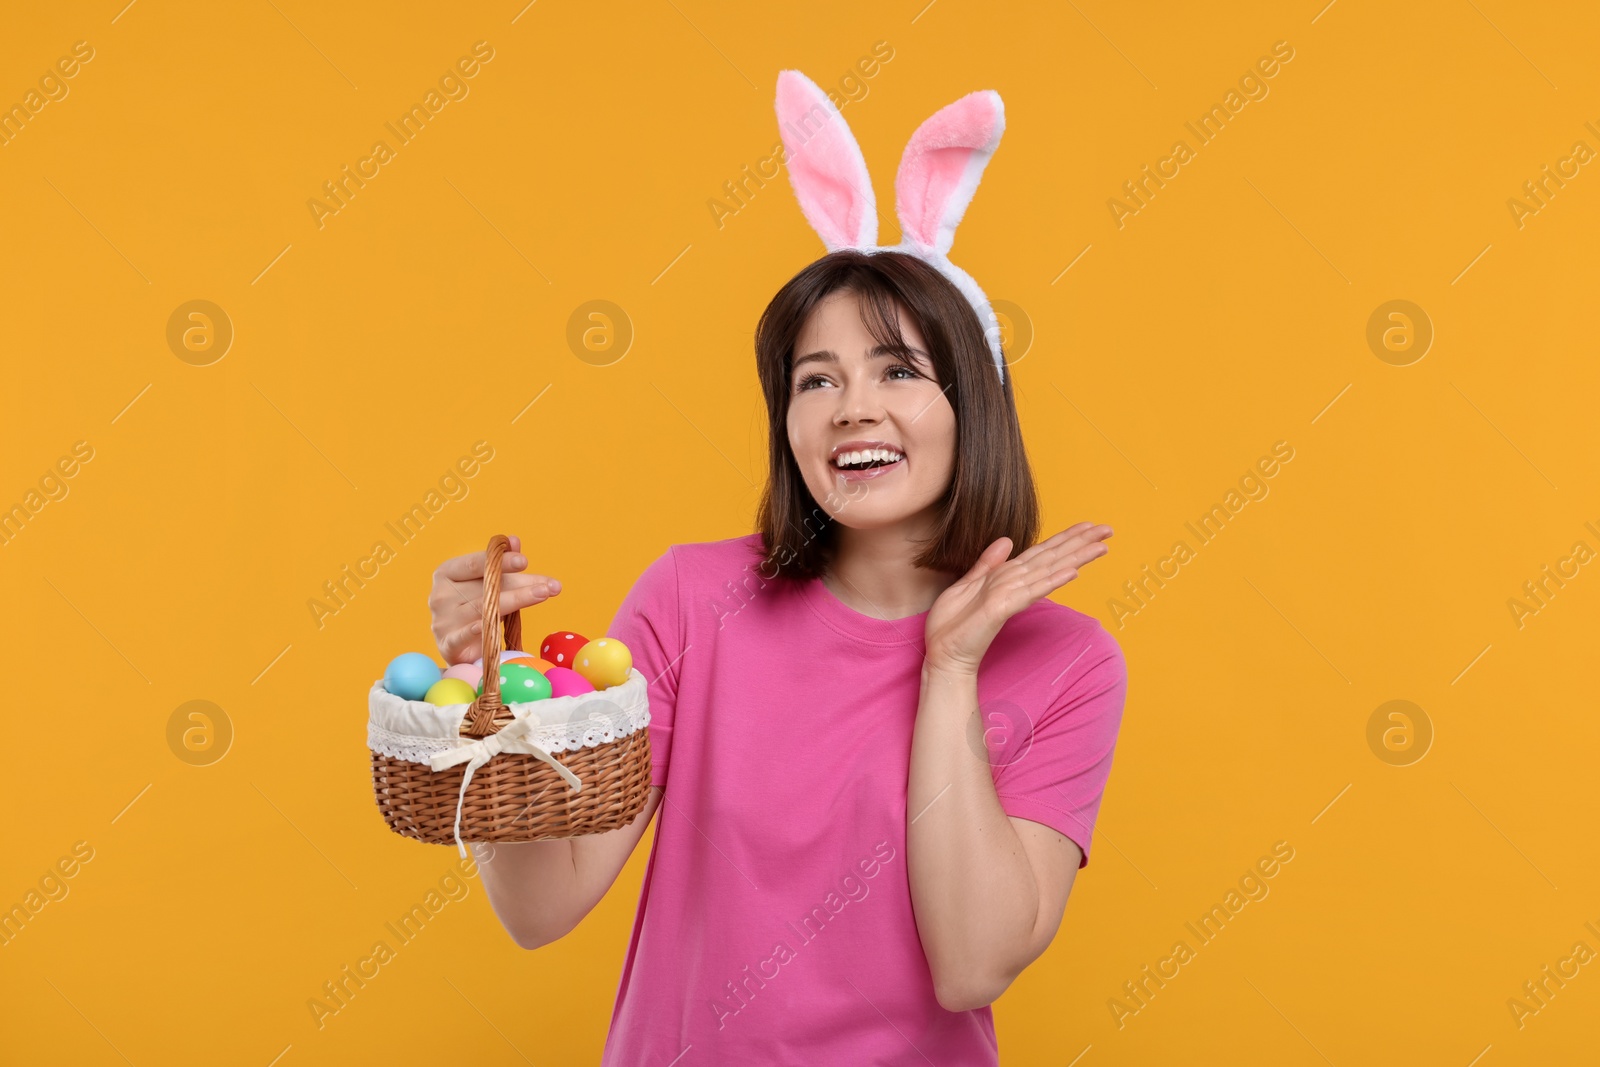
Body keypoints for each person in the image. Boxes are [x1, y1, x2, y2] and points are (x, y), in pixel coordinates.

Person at [426, 247, 1128, 1064]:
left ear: (972, 403)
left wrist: (951, 669)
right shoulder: (691, 598)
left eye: (898, 371)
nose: (852, 409)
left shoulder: (1069, 660)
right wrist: (490, 697)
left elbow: (971, 966)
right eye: (816, 380)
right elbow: (541, 909)